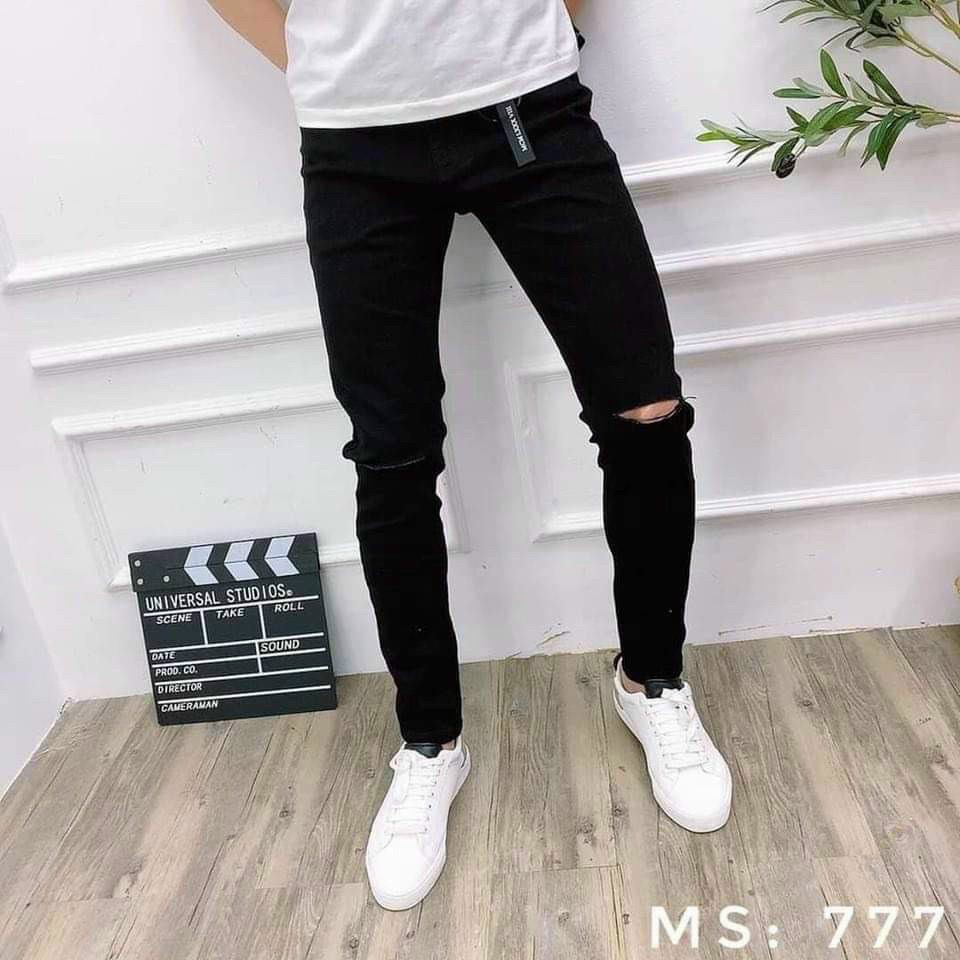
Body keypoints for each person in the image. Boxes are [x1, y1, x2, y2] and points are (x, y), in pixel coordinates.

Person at [205, 0, 733, 911]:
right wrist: (337, 56)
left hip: (529, 104)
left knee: (645, 409)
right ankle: (430, 743)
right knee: (391, 456)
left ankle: (651, 679)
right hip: (356, 140)